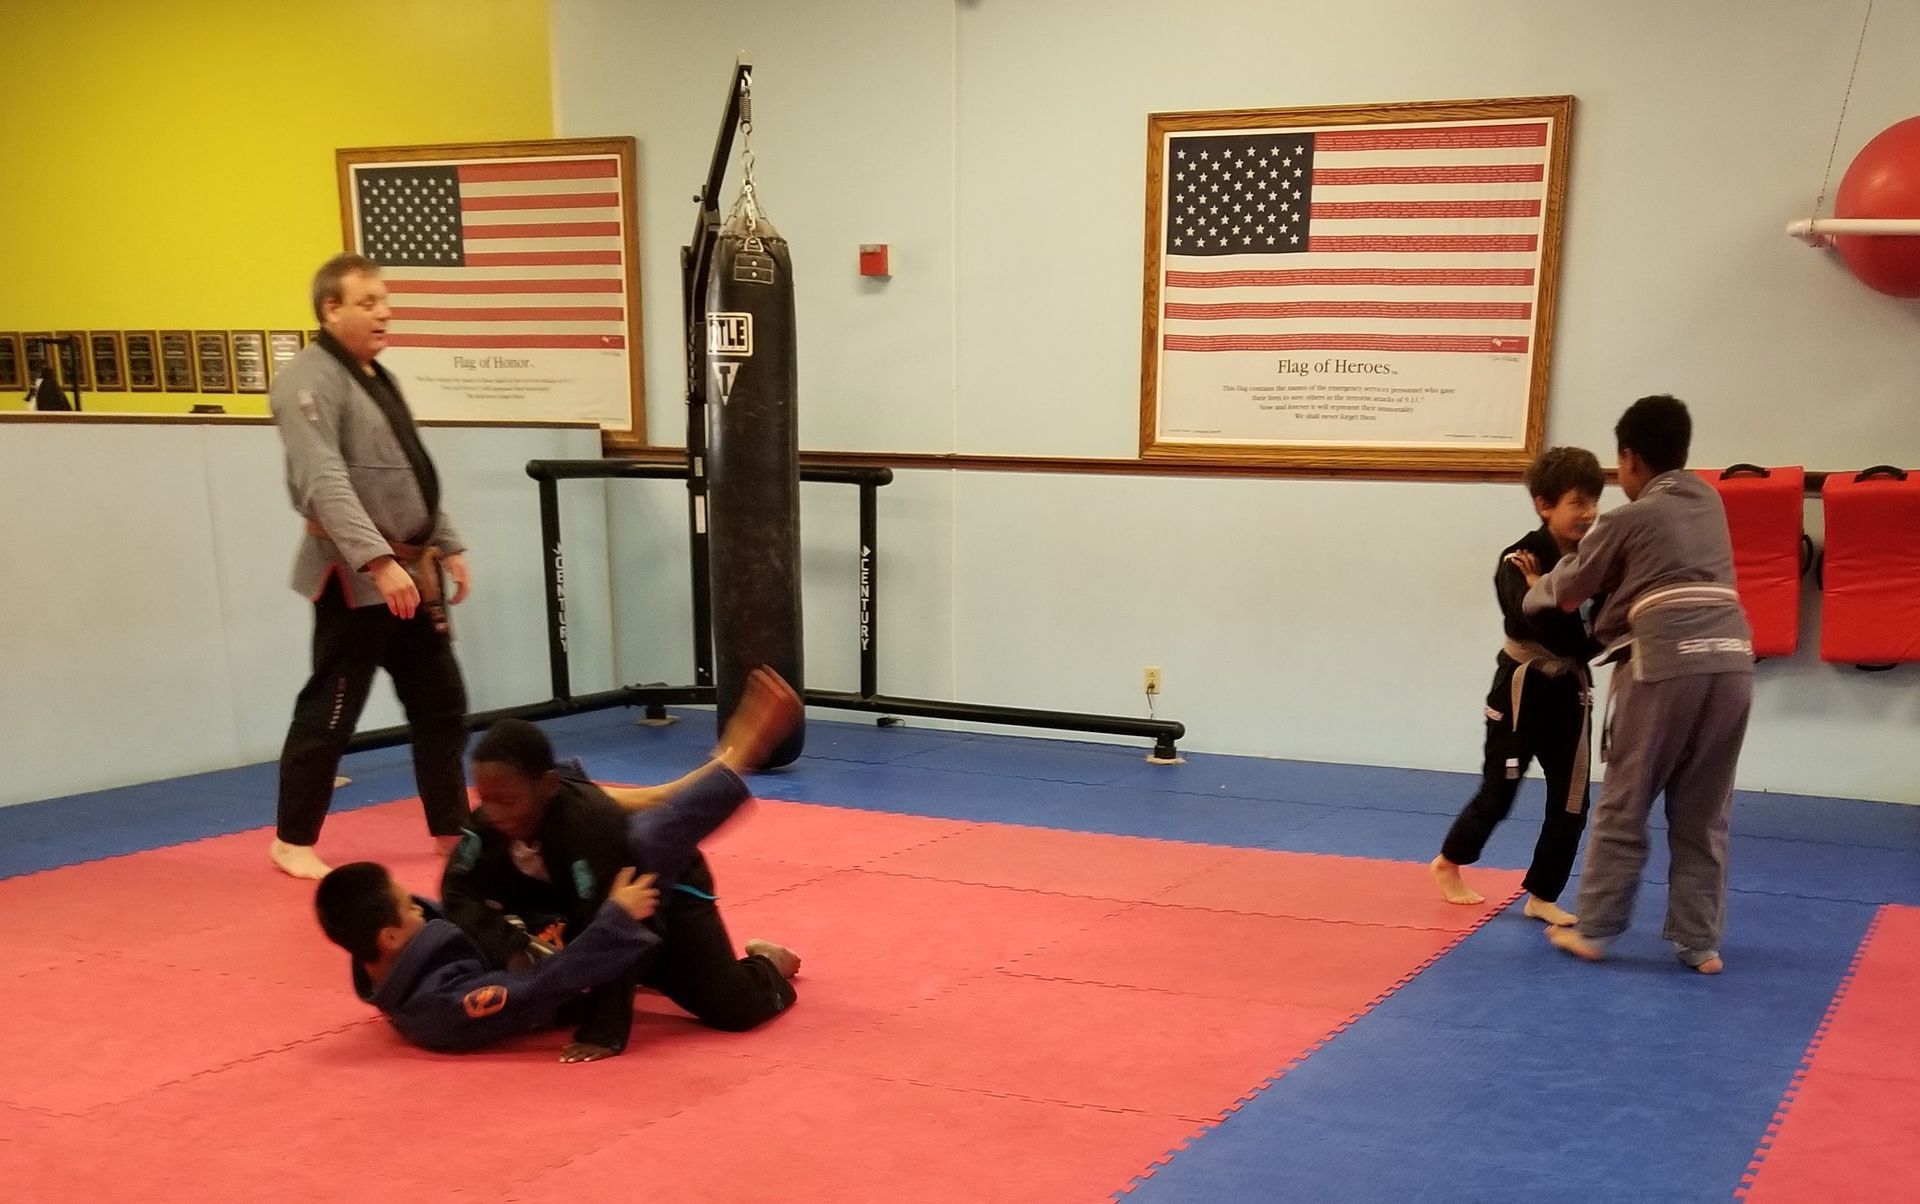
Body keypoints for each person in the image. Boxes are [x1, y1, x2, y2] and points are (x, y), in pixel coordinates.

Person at [316, 666, 804, 1057]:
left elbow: (624, 900)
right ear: (387, 938)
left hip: (658, 892)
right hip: (593, 909)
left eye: (505, 801)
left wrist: (603, 1031)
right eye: (486, 799)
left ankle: (766, 962)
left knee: (732, 1008)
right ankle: (730, 761)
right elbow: (463, 899)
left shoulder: (402, 963)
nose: (489, 814)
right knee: (604, 886)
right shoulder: (437, 1003)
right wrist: (516, 946)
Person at [1522, 395, 1753, 974]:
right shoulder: (1711, 502)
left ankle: (1596, 928)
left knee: (1627, 799)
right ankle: (1700, 944)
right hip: (1732, 661)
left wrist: (1530, 589)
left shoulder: (1627, 517)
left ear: (1629, 459)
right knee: (1704, 811)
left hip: (1665, 665)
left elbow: (1570, 586)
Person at [267, 253, 473, 880]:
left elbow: (413, 467)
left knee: (441, 702)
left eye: (386, 299)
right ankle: (292, 840)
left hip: (410, 574)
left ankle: (449, 829)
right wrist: (378, 562)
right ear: (331, 310)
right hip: (355, 578)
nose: (385, 311)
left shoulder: (374, 375)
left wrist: (449, 542)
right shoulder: (306, 381)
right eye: (368, 302)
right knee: (332, 708)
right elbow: (324, 480)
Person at [1430, 447, 1603, 926]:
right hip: (1520, 688)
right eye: (1577, 502)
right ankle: (1448, 863)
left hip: (1570, 690)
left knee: (1572, 801)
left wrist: (1545, 594)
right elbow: (1527, 624)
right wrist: (1551, 603)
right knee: (1500, 790)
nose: (1588, 513)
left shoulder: (1596, 559)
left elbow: (1591, 642)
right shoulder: (1518, 558)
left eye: (1594, 501)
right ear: (1544, 505)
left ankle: (1542, 893)